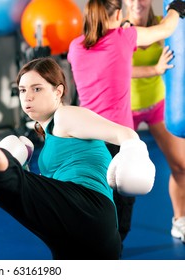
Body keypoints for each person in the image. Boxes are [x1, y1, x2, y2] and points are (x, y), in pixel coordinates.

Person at [0, 57, 155, 260]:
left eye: (37, 89)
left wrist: (133, 150)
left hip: (88, 209)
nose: (27, 97)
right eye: (22, 90)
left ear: (58, 91)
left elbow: (126, 134)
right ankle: (0, 166)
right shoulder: (49, 136)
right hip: (81, 233)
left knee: (6, 181)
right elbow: (45, 197)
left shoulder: (65, 116)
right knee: (10, 182)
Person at [67, 0, 184, 245]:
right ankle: (113, 248)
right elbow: (165, 30)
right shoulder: (123, 37)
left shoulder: (75, 47)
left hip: (87, 137)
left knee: (95, 197)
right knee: (123, 200)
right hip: (120, 138)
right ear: (119, 12)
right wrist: (176, 7)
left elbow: (110, 60)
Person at [124, 0, 185, 243]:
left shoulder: (165, 26)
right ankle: (105, 228)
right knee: (109, 172)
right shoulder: (118, 28)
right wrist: (155, 68)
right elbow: (118, 68)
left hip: (159, 105)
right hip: (126, 108)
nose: (137, 2)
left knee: (181, 166)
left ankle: (179, 220)